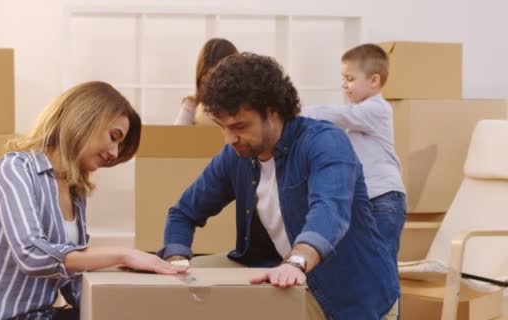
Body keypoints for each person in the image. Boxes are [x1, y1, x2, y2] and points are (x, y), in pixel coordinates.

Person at [159, 53, 400, 319]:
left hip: (352, 296)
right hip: (278, 270)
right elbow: (183, 212)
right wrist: (176, 260)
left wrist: (296, 261)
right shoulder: (236, 156)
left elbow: (330, 211)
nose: (229, 139)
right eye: (223, 127)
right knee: (178, 288)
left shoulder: (324, 143)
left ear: (272, 113)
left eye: (239, 126)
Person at [0, 81, 186, 320]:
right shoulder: (15, 168)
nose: (115, 153)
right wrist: (124, 255)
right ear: (85, 119)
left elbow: (70, 279)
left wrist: (126, 289)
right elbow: (31, 255)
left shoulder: (75, 191)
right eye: (114, 137)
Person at [301, 43, 406, 267]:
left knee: (382, 266)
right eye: (343, 78)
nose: (344, 85)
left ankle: (388, 303)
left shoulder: (377, 109)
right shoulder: (360, 115)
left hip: (384, 197)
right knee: (365, 265)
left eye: (349, 78)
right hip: (367, 199)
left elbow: (339, 115)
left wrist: (297, 111)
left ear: (374, 81)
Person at [174, 38, 238, 126]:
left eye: (217, 80)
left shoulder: (243, 108)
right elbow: (176, 136)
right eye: (205, 82)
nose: (212, 88)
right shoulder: (192, 106)